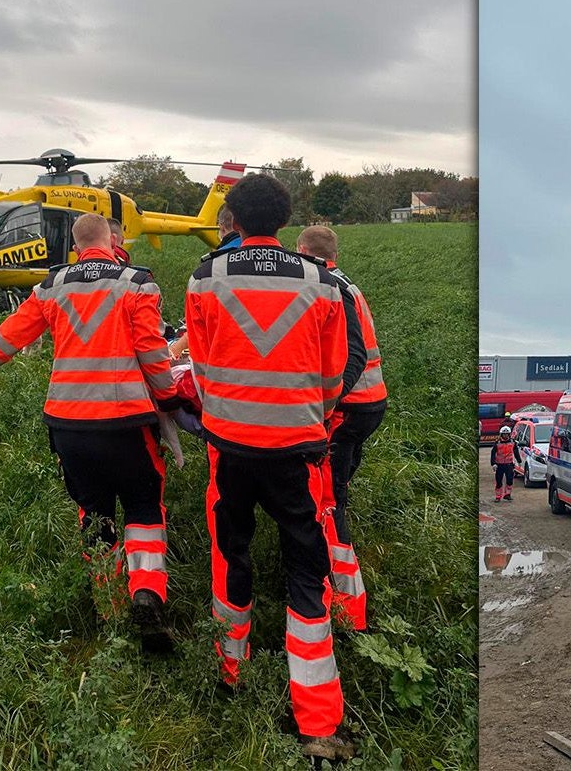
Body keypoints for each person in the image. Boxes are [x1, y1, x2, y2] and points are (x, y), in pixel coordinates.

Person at [184, 174, 359, 761]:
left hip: (229, 447)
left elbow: (201, 368)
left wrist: (226, 413)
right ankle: (319, 723)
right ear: (285, 221)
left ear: (232, 219)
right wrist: (310, 417)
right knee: (307, 571)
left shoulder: (204, 277)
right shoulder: (322, 282)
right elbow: (334, 374)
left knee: (230, 554)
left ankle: (230, 672)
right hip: (298, 451)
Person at [0, 213, 188, 653]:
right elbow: (151, 352)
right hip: (126, 424)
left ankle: (109, 608)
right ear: (113, 242)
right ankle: (147, 593)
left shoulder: (52, 286)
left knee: (93, 512)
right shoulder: (137, 284)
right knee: (143, 506)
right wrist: (171, 399)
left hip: (68, 426)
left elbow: (13, 331)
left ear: (76, 248)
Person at [296, 224, 384, 631]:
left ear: (302, 250)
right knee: (338, 487)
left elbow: (352, 357)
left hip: (347, 410)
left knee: (330, 502)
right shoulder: (346, 283)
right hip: (368, 405)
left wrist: (324, 405)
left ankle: (349, 611)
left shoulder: (330, 287)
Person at [491, 425, 517, 501]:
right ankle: (498, 496)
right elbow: (493, 454)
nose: (505, 435)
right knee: (499, 481)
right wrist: (493, 463)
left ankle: (507, 494)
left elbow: (516, 452)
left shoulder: (513, 442)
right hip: (499, 465)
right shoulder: (497, 443)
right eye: (504, 434)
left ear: (509, 434)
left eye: (507, 434)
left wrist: (519, 461)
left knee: (509, 480)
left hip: (509, 464)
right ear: (501, 434)